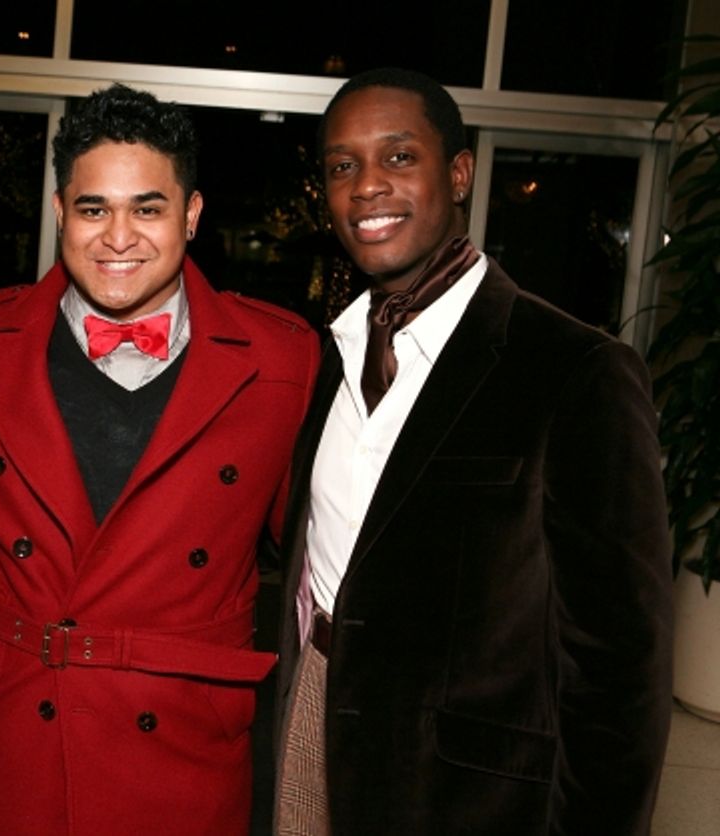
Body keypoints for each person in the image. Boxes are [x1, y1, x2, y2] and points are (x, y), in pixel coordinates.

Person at [273, 67, 674, 835]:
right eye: (341, 166)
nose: (365, 187)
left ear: (458, 174)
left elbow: (622, 666)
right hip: (312, 727)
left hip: (462, 788)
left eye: (398, 157)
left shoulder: (574, 370)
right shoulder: (329, 354)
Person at [0, 83, 321, 836]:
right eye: (92, 208)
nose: (118, 237)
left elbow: (311, 556)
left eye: (147, 208)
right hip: (8, 739)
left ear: (191, 216)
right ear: (58, 213)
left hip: (180, 747)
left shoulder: (283, 360)